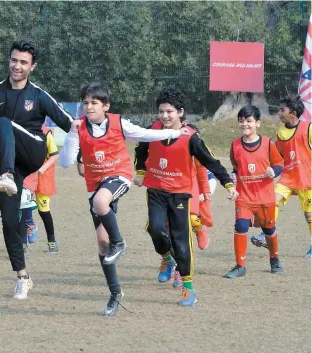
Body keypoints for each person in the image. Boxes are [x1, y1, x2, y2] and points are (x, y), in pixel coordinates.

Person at [59, 82, 191, 316]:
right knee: (102, 242)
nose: (89, 107)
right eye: (86, 103)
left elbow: (144, 134)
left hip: (119, 176)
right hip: (94, 185)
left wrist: (173, 132)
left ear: (106, 106)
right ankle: (115, 293)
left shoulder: (119, 122)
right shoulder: (78, 128)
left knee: (102, 203)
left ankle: (119, 242)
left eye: (94, 103)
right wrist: (70, 133)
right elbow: (66, 162)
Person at [0, 40, 74, 299]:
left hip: (34, 151)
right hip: (11, 162)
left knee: (4, 120)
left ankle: (4, 174)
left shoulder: (38, 95)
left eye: (23, 62)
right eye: (14, 60)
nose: (17, 66)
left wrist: (83, 152)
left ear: (33, 67)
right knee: (8, 222)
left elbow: (69, 123)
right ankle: (23, 277)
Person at [134, 87, 238, 307]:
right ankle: (166, 259)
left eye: (169, 111)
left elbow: (211, 161)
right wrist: (141, 172)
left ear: (180, 112)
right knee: (154, 228)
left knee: (181, 240)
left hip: (180, 195)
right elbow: (140, 150)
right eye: (161, 111)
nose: (164, 116)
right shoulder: (152, 130)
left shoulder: (191, 138)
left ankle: (188, 289)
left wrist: (228, 184)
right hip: (155, 190)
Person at [223, 105, 284, 278]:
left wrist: (274, 171)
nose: (245, 125)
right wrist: (234, 176)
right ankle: (240, 265)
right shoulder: (235, 145)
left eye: (249, 121)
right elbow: (237, 167)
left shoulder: (267, 143)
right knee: (240, 225)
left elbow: (279, 164)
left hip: (265, 197)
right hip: (244, 196)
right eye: (241, 121)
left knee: (269, 229)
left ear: (257, 123)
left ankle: (274, 259)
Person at [249, 95, 311, 258]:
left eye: (282, 110)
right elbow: (278, 156)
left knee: (309, 216)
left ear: (293, 113)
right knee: (271, 203)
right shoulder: (282, 132)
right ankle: (265, 235)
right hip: (288, 178)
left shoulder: (308, 128)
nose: (279, 113)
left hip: (307, 179)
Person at [22, 129, 60, 254]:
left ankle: (52, 242)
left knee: (44, 210)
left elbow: (55, 155)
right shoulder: (22, 129)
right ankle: (23, 242)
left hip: (43, 177)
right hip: (26, 174)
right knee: (22, 206)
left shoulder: (46, 133)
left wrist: (41, 169)